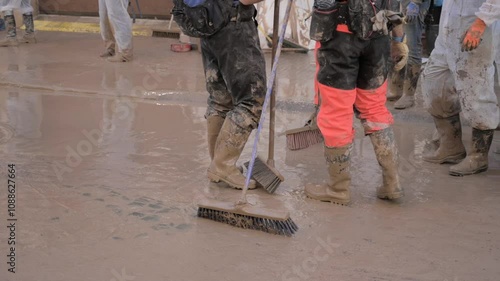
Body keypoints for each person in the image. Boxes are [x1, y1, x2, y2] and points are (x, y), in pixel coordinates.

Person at [304, 0, 408, 205]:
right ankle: (392, 182)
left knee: (336, 112)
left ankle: (338, 188)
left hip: (340, 37)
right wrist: (399, 38)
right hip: (377, 37)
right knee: (375, 108)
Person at [422, 0, 500, 176]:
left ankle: (478, 156)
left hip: (474, 29)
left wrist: (480, 24)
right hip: (447, 32)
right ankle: (451, 146)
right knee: (433, 83)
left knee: (476, 93)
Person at [202, 0, 266, 190]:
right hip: (232, 28)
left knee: (220, 98)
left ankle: (217, 162)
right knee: (251, 100)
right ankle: (223, 166)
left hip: (207, 23)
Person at [387, 0, 430, 109]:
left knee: (412, 44)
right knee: (396, 42)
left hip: (413, 3)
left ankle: (409, 95)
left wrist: (416, 2)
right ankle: (396, 88)